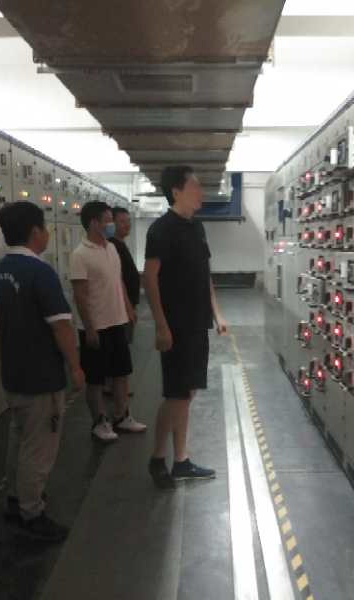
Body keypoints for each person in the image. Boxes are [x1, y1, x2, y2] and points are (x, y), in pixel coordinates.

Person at [0, 201, 85, 542]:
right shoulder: (40, 272)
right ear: (35, 232)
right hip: (41, 376)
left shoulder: (0, 271)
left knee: (19, 438)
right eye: (45, 228)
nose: (48, 234)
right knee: (39, 447)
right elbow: (61, 326)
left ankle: (15, 499)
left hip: (13, 371)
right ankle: (32, 513)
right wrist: (75, 366)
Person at [144, 166, 228, 488]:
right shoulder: (161, 230)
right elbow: (150, 278)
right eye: (195, 186)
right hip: (176, 325)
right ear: (176, 191)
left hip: (196, 324)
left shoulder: (197, 227)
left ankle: (181, 460)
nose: (200, 192)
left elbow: (204, 274)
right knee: (176, 395)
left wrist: (217, 313)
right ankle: (157, 458)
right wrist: (161, 325)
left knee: (186, 393)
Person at [70, 201, 146, 443]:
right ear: (94, 223)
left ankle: (121, 416)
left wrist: (127, 308)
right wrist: (89, 328)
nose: (111, 224)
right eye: (107, 219)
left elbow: (118, 280)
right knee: (95, 379)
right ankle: (99, 422)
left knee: (122, 373)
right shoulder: (80, 255)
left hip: (117, 321)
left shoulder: (111, 248)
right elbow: (80, 295)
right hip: (96, 326)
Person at [108, 206, 140, 343]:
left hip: (128, 305)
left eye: (128, 221)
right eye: (122, 221)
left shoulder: (120, 244)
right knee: (122, 344)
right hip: (121, 308)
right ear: (112, 224)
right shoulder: (113, 246)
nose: (127, 225)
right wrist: (128, 308)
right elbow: (118, 279)